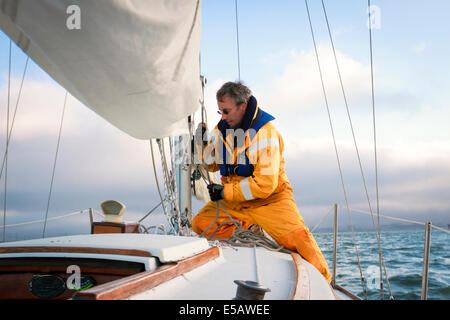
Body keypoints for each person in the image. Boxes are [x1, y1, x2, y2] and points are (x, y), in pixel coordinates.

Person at [192, 81, 331, 283]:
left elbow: (264, 185)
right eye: (220, 111)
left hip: (271, 201)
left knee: (302, 244)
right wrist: (201, 143)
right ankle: (250, 229)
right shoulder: (222, 130)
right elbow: (211, 164)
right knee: (200, 224)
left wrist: (224, 193)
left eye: (226, 111)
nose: (222, 117)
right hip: (236, 201)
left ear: (243, 106)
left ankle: (326, 285)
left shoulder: (266, 134)